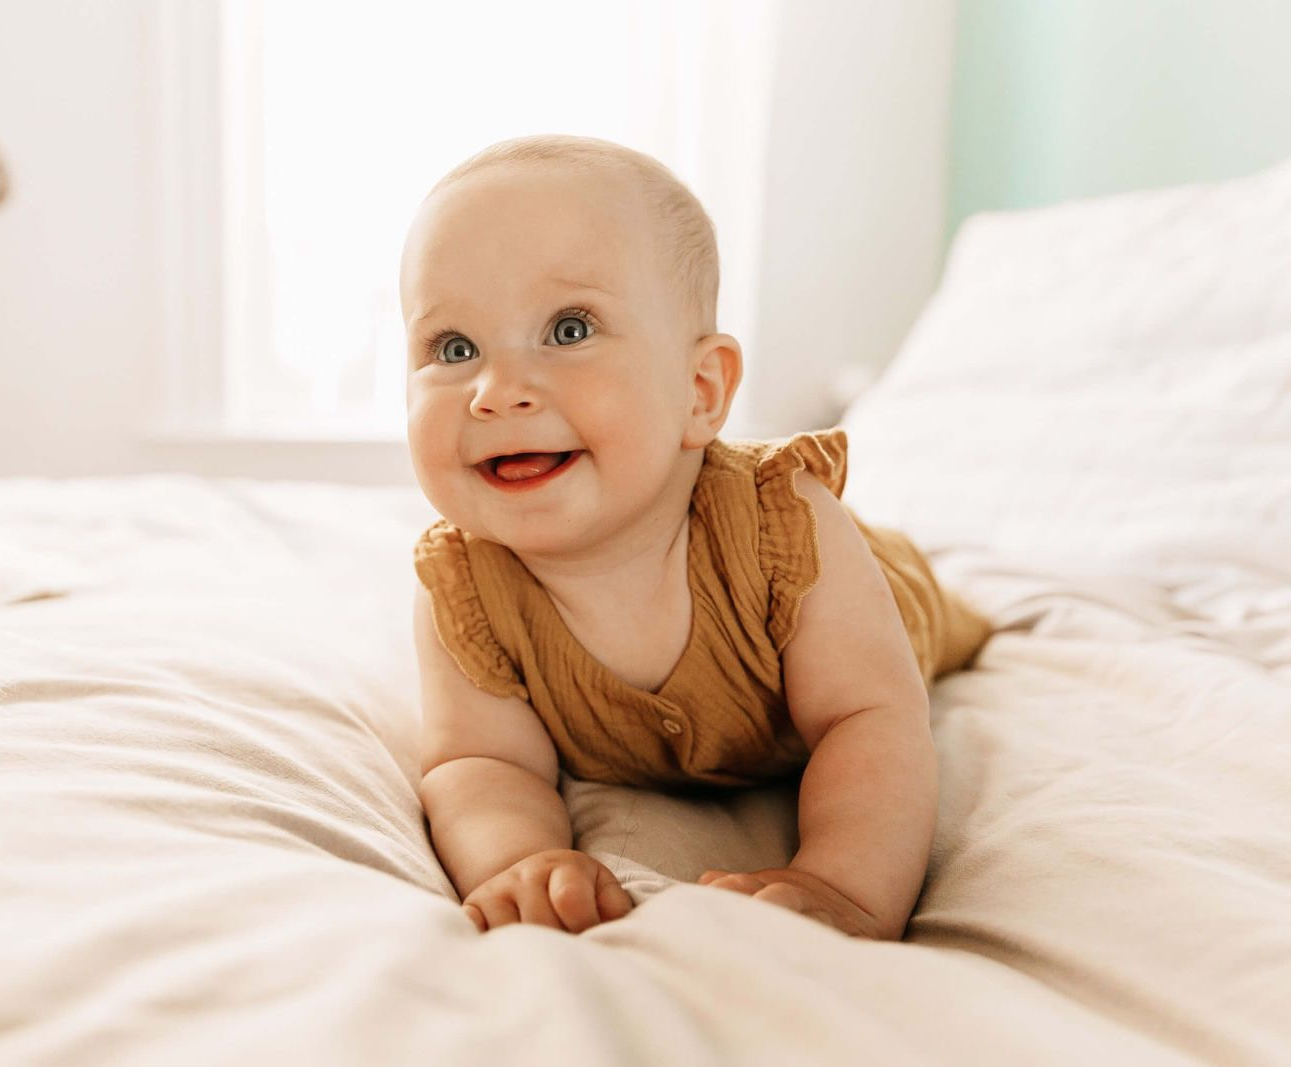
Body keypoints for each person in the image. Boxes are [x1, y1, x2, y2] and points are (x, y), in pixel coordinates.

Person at [403, 134, 991, 941]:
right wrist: (521, 861)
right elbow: (482, 764)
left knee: (954, 615)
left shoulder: (785, 526)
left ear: (700, 389)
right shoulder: (465, 588)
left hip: (889, 594)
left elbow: (869, 718)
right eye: (454, 349)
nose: (496, 392)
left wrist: (843, 884)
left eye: (569, 329)